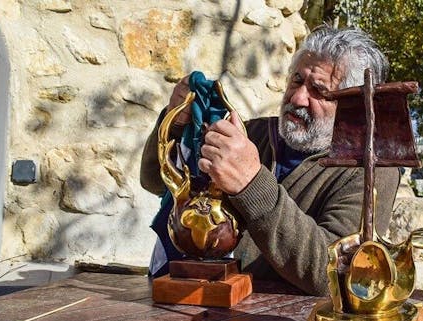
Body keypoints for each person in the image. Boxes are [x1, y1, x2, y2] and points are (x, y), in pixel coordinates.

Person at [140, 26, 400, 296]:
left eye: (319, 91)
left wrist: (251, 183)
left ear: (352, 106)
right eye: (297, 80)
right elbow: (154, 182)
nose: (298, 97)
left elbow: (335, 273)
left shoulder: (370, 169)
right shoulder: (250, 134)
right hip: (200, 303)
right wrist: (176, 124)